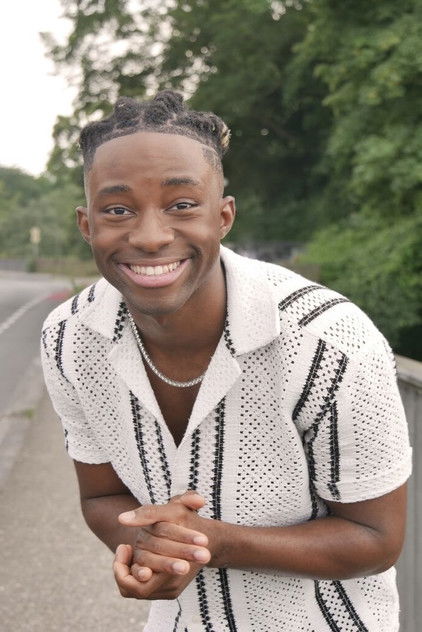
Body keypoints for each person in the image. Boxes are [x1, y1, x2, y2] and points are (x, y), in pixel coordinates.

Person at [41, 90, 412, 632]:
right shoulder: (69, 339)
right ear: (86, 225)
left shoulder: (329, 342)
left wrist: (212, 544)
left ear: (223, 216)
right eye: (118, 210)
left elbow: (376, 539)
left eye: (182, 205)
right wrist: (148, 550)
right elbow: (102, 497)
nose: (150, 237)